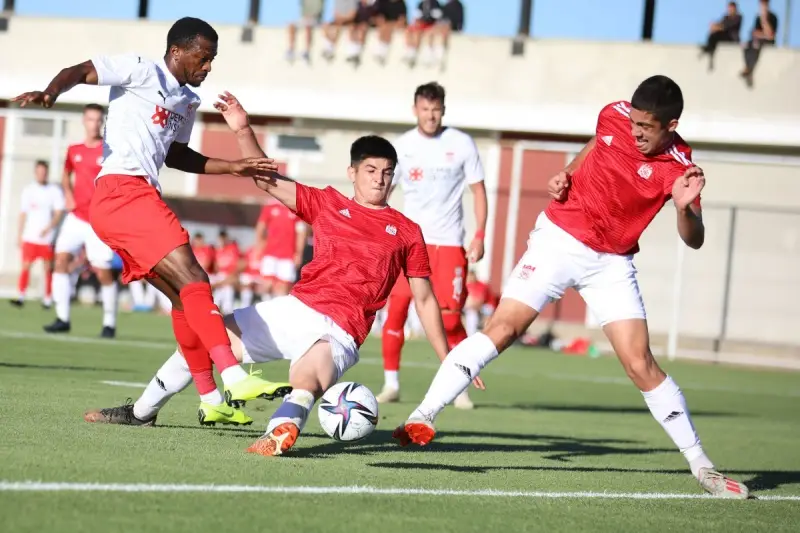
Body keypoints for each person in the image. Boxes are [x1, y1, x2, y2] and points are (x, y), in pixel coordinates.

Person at [393, 76, 749, 500]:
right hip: (560, 236)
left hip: (612, 262)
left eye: (646, 128)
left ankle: (701, 466)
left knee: (640, 364)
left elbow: (694, 238)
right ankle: (424, 415)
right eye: (633, 122)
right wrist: (568, 171)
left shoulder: (680, 167)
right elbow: (599, 142)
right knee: (504, 328)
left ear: (671, 124)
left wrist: (684, 207)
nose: (634, 132)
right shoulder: (614, 115)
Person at [84, 92, 471, 457]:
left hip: (342, 329)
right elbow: (265, 179)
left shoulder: (406, 230)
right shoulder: (328, 203)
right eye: (371, 170)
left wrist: (448, 359)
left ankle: (278, 431)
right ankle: (142, 412)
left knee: (307, 377)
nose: (379, 179)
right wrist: (241, 129)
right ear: (352, 172)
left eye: (387, 172)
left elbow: (424, 299)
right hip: (297, 308)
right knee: (204, 340)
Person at [13, 17, 291, 426]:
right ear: (177, 51)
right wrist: (51, 92)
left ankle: (211, 397)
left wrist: (232, 167)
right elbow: (79, 71)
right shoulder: (141, 70)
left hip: (128, 201)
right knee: (197, 279)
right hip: (123, 191)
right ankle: (233, 374)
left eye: (212, 59)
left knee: (184, 297)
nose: (209, 67)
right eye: (204, 57)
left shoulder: (186, 101)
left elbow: (178, 155)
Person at [379, 82, 487, 411]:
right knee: (395, 311)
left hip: (450, 243)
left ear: (443, 110)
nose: (431, 115)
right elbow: (383, 191)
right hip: (410, 244)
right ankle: (391, 384)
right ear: (415, 110)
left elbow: (479, 192)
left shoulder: (462, 144)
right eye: (425, 109)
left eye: (436, 109)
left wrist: (480, 234)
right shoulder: (402, 146)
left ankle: (461, 385)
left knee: (451, 320)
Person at [43, 104, 119, 338]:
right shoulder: (74, 150)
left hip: (98, 221)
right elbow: (66, 174)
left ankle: (109, 324)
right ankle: (62, 318)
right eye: (90, 119)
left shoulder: (109, 151)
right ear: (84, 121)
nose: (94, 123)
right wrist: (67, 193)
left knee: (103, 272)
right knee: (61, 260)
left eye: (98, 120)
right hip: (75, 218)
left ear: (102, 122)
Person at [10, 161, 64, 309]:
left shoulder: (54, 191)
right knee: (26, 265)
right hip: (30, 236)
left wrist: (49, 227)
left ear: (47, 173)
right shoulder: (29, 190)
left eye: (44, 172)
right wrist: (19, 234)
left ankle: (47, 298)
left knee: (47, 268)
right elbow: (23, 213)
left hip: (46, 238)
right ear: (35, 173)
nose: (41, 174)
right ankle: (20, 295)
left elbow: (59, 213)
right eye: (39, 171)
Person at [255, 198, 307, 298]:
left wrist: (299, 253)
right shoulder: (270, 206)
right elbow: (260, 226)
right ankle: (263, 310)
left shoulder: (296, 208)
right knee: (267, 284)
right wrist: (259, 246)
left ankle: (277, 312)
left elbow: (301, 233)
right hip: (269, 253)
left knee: (282, 287)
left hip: (287, 255)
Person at [741, 0, 778, 88]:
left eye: (764, 4)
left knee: (756, 45)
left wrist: (764, 21)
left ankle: (749, 69)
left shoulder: (773, 17)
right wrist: (764, 34)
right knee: (746, 45)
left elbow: (771, 35)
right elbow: (754, 33)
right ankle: (748, 67)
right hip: (758, 41)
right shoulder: (758, 18)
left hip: (768, 43)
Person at [699, 1, 741, 71]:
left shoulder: (738, 17)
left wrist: (717, 27)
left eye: (731, 8)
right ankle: (709, 48)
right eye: (729, 8)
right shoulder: (726, 17)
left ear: (735, 8)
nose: (730, 10)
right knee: (713, 35)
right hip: (724, 36)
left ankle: (709, 48)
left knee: (715, 34)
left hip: (732, 38)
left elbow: (727, 26)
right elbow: (721, 24)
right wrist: (714, 26)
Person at [212, 229, 240, 314]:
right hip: (220, 277)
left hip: (229, 277)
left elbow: (237, 265)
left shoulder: (232, 248)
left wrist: (230, 278)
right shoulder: (218, 250)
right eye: (220, 239)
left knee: (228, 296)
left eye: (224, 238)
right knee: (217, 299)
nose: (222, 241)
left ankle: (227, 314)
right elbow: (216, 267)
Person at [374, 0, 407, 64]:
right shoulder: (382, 2)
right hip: (386, 25)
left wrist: (391, 24)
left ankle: (383, 51)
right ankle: (381, 50)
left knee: (387, 28)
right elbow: (379, 17)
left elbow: (402, 20)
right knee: (384, 28)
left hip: (396, 25)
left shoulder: (401, 3)